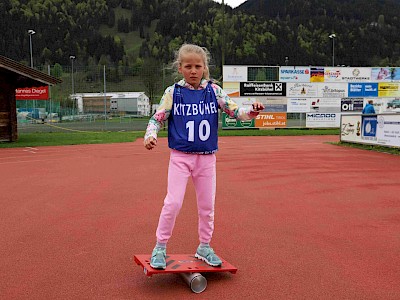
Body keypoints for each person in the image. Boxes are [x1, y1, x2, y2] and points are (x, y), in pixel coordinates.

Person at [143, 44, 264, 269]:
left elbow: (237, 112)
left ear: (205, 68)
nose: (193, 71)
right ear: (180, 68)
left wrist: (253, 111)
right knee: (173, 202)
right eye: (188, 66)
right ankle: (160, 246)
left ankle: (204, 246)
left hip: (206, 159)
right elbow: (157, 118)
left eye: (198, 66)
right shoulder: (173, 93)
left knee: (207, 205)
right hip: (180, 157)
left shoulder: (214, 91)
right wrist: (150, 135)